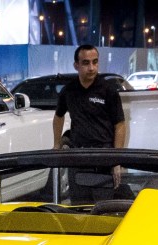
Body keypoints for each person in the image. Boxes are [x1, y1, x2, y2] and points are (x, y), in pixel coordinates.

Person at [52, 44, 127, 202]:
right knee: (79, 212)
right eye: (86, 63)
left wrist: (116, 160)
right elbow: (58, 116)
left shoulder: (108, 91)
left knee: (103, 211)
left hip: (104, 159)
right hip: (78, 159)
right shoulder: (69, 91)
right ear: (76, 65)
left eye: (95, 62)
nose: (92, 67)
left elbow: (120, 125)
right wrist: (56, 144)